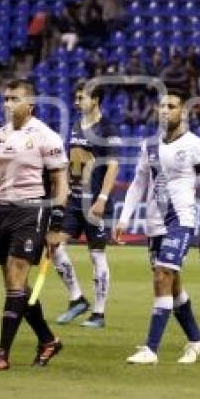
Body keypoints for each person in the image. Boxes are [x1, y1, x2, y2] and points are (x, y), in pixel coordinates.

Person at [0, 79, 68, 370]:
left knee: (16, 279)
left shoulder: (46, 136)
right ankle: (48, 340)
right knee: (15, 285)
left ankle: (2, 354)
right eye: (5, 99)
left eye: (14, 99)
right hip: (3, 211)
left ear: (30, 104)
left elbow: (60, 183)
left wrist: (56, 225)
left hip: (31, 210)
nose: (8, 104)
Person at [116, 90, 200, 364]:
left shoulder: (195, 145)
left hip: (180, 221)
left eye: (171, 106)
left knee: (162, 276)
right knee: (172, 286)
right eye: (161, 106)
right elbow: (138, 183)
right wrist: (124, 218)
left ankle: (151, 349)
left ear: (183, 112)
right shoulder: (148, 146)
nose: (164, 111)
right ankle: (197, 340)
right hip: (154, 223)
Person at [53, 81, 121, 328]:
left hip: (94, 201)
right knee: (54, 246)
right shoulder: (74, 126)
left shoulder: (108, 129)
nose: (76, 101)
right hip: (73, 199)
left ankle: (99, 313)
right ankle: (77, 298)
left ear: (95, 100)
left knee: (96, 255)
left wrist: (102, 199)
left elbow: (113, 166)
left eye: (81, 97)